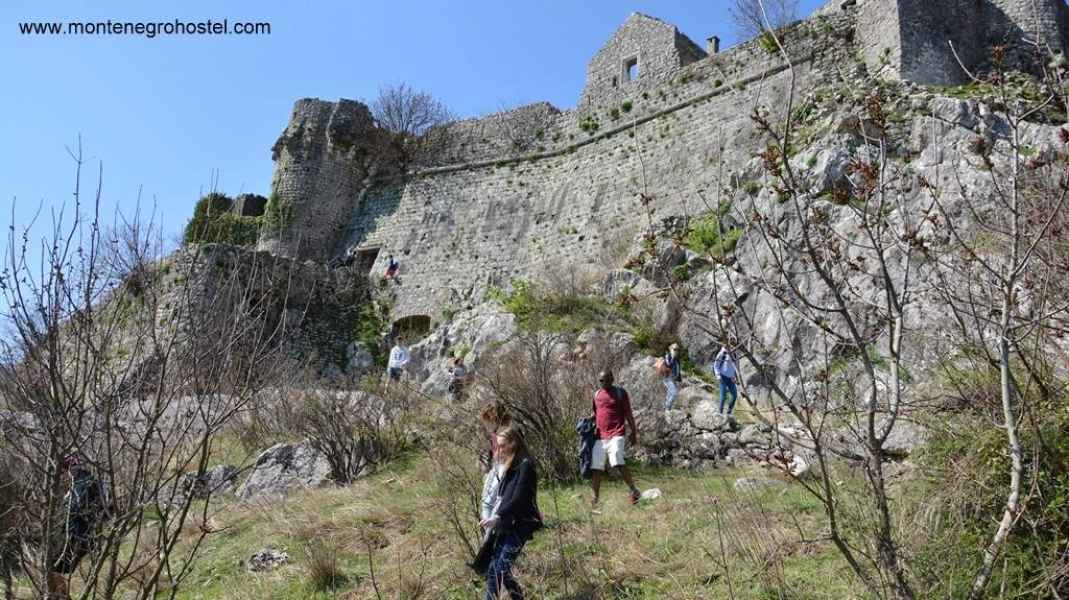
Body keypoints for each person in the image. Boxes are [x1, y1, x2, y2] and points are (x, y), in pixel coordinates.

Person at [479, 425, 542, 600]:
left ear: (514, 443)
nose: (498, 450)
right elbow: (503, 496)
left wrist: (497, 517)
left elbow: (519, 499)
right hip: (508, 523)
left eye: (502, 446)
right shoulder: (509, 465)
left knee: (497, 571)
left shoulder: (525, 466)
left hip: (522, 524)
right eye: (497, 446)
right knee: (496, 568)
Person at [48, 456, 110, 600]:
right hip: (85, 536)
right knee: (54, 568)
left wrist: (66, 501)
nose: (65, 475)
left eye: (65, 471)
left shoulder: (83, 483)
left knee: (51, 568)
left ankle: (63, 597)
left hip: (78, 536)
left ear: (69, 469)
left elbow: (79, 508)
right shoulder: (86, 481)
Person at [590, 370, 641, 506]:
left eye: (605, 380)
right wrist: (587, 420)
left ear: (612, 379)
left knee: (617, 460)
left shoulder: (620, 393)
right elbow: (595, 413)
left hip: (617, 433)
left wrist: (634, 432)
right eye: (600, 380)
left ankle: (634, 490)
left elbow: (628, 413)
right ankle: (595, 499)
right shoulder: (597, 395)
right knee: (596, 467)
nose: (602, 383)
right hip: (600, 436)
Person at [714, 343, 740, 415]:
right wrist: (718, 376)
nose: (733, 346)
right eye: (731, 344)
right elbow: (715, 365)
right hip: (722, 377)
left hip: (731, 378)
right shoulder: (723, 353)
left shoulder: (736, 355)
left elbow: (736, 368)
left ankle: (729, 412)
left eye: (734, 345)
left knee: (734, 395)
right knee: (723, 395)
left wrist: (736, 378)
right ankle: (720, 413)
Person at [662, 343, 683, 410]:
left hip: (673, 379)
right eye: (675, 349)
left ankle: (666, 408)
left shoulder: (677, 359)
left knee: (669, 394)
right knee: (674, 393)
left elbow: (678, 370)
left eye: (678, 350)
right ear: (670, 349)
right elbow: (668, 365)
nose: (676, 351)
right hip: (667, 378)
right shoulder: (668, 356)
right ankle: (668, 407)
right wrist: (673, 358)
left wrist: (679, 380)